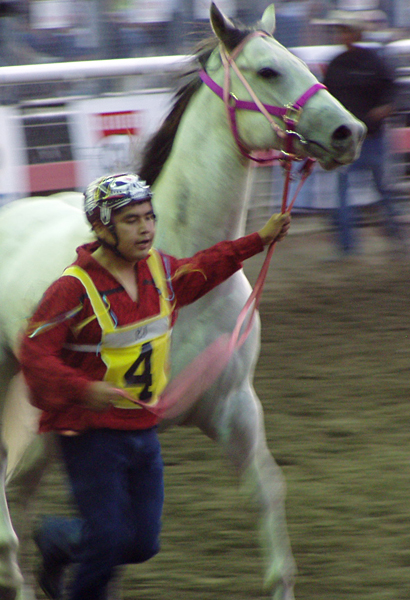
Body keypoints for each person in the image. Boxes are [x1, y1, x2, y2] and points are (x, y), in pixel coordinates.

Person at [18, 173, 291, 600]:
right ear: (103, 228)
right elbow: (33, 353)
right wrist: (83, 389)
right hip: (90, 435)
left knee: (142, 544)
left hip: (142, 432)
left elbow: (203, 268)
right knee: (108, 542)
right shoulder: (71, 289)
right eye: (131, 220)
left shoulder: (160, 271)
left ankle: (56, 540)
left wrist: (259, 239)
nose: (145, 228)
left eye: (149, 217)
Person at [321, 8, 408, 258]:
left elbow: (393, 89)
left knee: (375, 189)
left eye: (344, 30)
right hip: (354, 139)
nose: (341, 35)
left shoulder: (367, 61)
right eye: (340, 30)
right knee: (363, 190)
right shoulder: (340, 64)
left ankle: (381, 240)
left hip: (370, 137)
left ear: (355, 33)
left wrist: (387, 107)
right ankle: (351, 246)